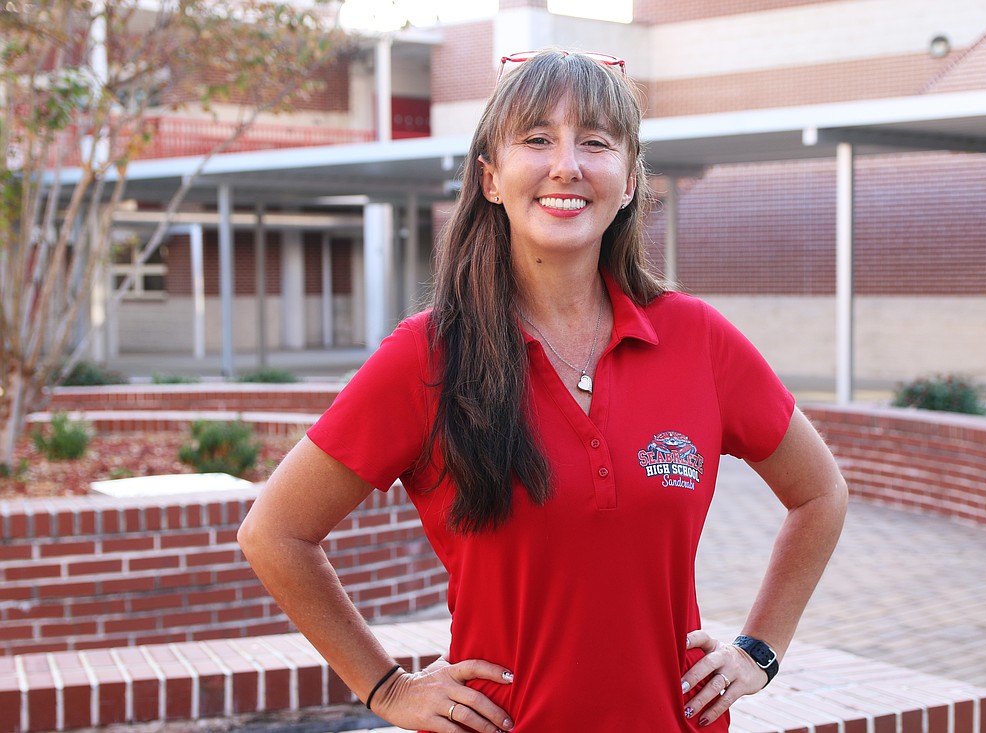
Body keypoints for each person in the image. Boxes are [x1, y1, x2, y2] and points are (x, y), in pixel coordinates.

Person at [238, 49, 847, 733]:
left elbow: (820, 493)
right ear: (491, 178)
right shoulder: (428, 354)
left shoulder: (698, 339)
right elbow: (276, 532)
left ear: (627, 182)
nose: (567, 164)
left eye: (595, 141)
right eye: (537, 139)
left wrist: (759, 648)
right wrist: (385, 687)